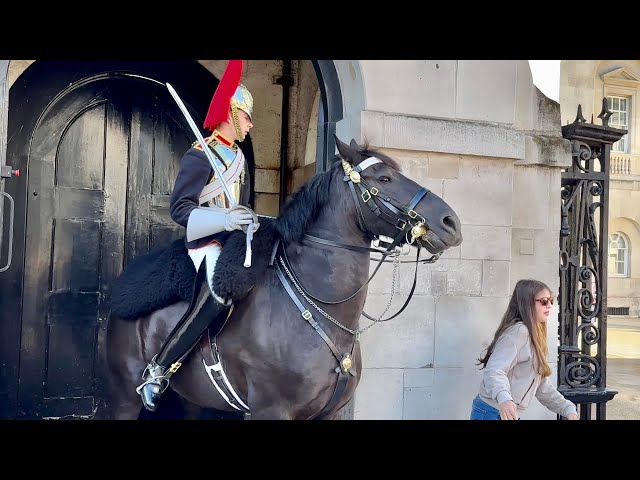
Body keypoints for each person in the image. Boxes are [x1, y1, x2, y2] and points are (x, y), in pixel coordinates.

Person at [136, 60, 258, 412]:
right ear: (232, 114)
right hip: (206, 244)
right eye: (247, 116)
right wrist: (225, 217)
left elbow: (244, 207)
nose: (250, 124)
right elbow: (180, 209)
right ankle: (159, 369)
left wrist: (247, 220)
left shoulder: (238, 159)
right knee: (218, 295)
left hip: (236, 244)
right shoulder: (200, 154)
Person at [470, 279, 579, 420]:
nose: (550, 305)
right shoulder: (519, 332)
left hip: (507, 413)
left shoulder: (535, 334)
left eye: (551, 300)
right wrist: (504, 399)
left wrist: (567, 408)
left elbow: (541, 386)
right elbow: (494, 370)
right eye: (544, 301)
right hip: (492, 412)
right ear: (526, 303)